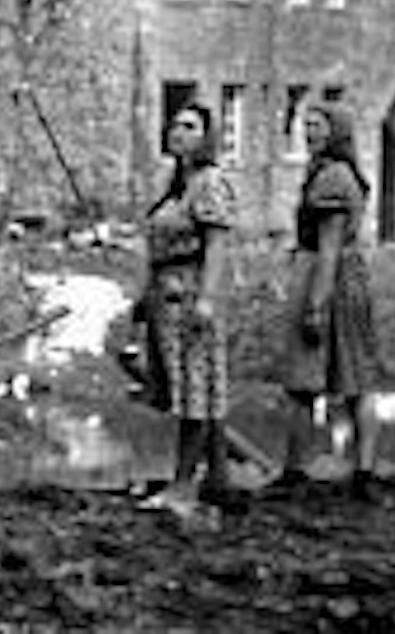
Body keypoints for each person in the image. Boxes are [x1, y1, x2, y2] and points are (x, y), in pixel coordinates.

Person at [275, 103, 385, 500]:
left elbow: (330, 245)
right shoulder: (321, 173)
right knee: (312, 381)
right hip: (324, 271)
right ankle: (300, 468)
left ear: (336, 131)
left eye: (318, 126)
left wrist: (317, 302)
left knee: (346, 378)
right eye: (305, 126)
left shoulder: (334, 178)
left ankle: (359, 470)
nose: (309, 133)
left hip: (332, 278)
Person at [138, 101, 240, 519]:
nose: (178, 132)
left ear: (206, 136)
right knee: (187, 386)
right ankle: (218, 479)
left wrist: (208, 299)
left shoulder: (211, 182)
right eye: (175, 125)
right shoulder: (175, 182)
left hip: (192, 291)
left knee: (197, 389)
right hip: (165, 291)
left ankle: (184, 485)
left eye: (190, 126)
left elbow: (216, 244)